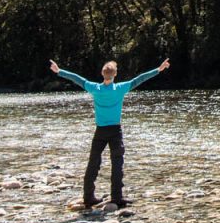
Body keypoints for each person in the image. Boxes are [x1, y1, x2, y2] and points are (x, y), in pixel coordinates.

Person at [49, 58, 170, 209]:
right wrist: (159, 69)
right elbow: (139, 79)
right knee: (117, 164)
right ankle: (117, 198)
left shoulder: (95, 88)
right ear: (115, 74)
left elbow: (77, 79)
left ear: (102, 73)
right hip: (115, 131)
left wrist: (59, 71)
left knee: (93, 163)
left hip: (100, 131)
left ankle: (88, 197)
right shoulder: (120, 88)